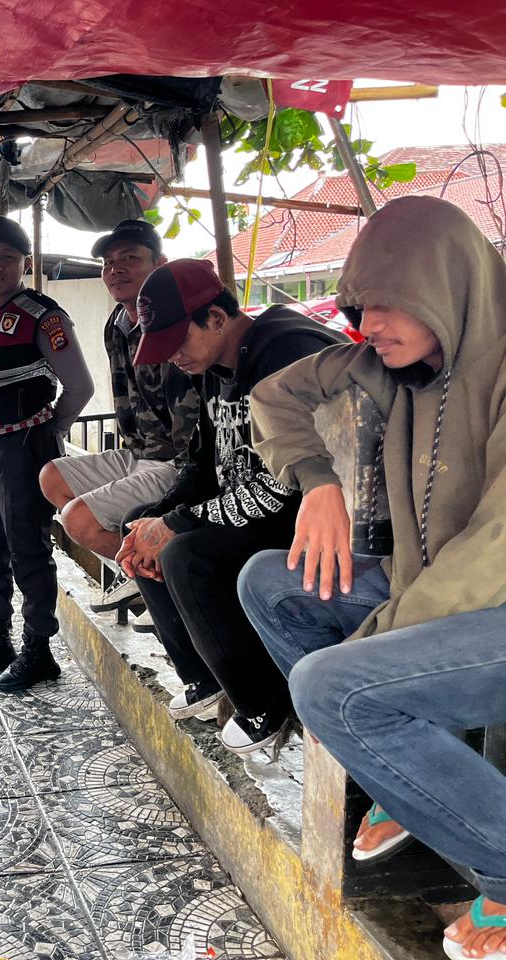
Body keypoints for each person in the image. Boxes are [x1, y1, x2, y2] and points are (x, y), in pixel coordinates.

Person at [236, 196, 506, 960]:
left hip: (493, 606)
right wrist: (316, 482)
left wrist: (375, 643)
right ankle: (400, 784)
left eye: (389, 302)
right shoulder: (400, 365)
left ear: (447, 287)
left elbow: (494, 550)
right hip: (428, 590)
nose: (368, 324)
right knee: (270, 583)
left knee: (333, 688)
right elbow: (274, 397)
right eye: (360, 305)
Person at [114, 259, 345, 752]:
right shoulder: (212, 367)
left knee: (185, 553)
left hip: (310, 517)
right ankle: (205, 677)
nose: (172, 356)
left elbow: (282, 486)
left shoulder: (285, 352)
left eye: (178, 340)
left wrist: (176, 524)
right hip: (250, 510)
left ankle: (264, 701)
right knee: (140, 528)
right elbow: (202, 463)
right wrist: (159, 518)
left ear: (216, 318)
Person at [0, 215, 94, 692]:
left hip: (21, 447)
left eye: (7, 257)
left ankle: (39, 651)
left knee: (28, 549)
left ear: (25, 263)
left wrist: (49, 430)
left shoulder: (43, 316)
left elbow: (79, 387)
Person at [38, 219, 198, 619]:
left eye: (130, 258)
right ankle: (140, 573)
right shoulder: (118, 323)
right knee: (51, 477)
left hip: (178, 461)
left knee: (78, 519)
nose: (116, 269)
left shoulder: (177, 322)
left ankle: (162, 585)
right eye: (109, 262)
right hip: (138, 452)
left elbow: (195, 416)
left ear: (160, 263)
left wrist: (185, 483)